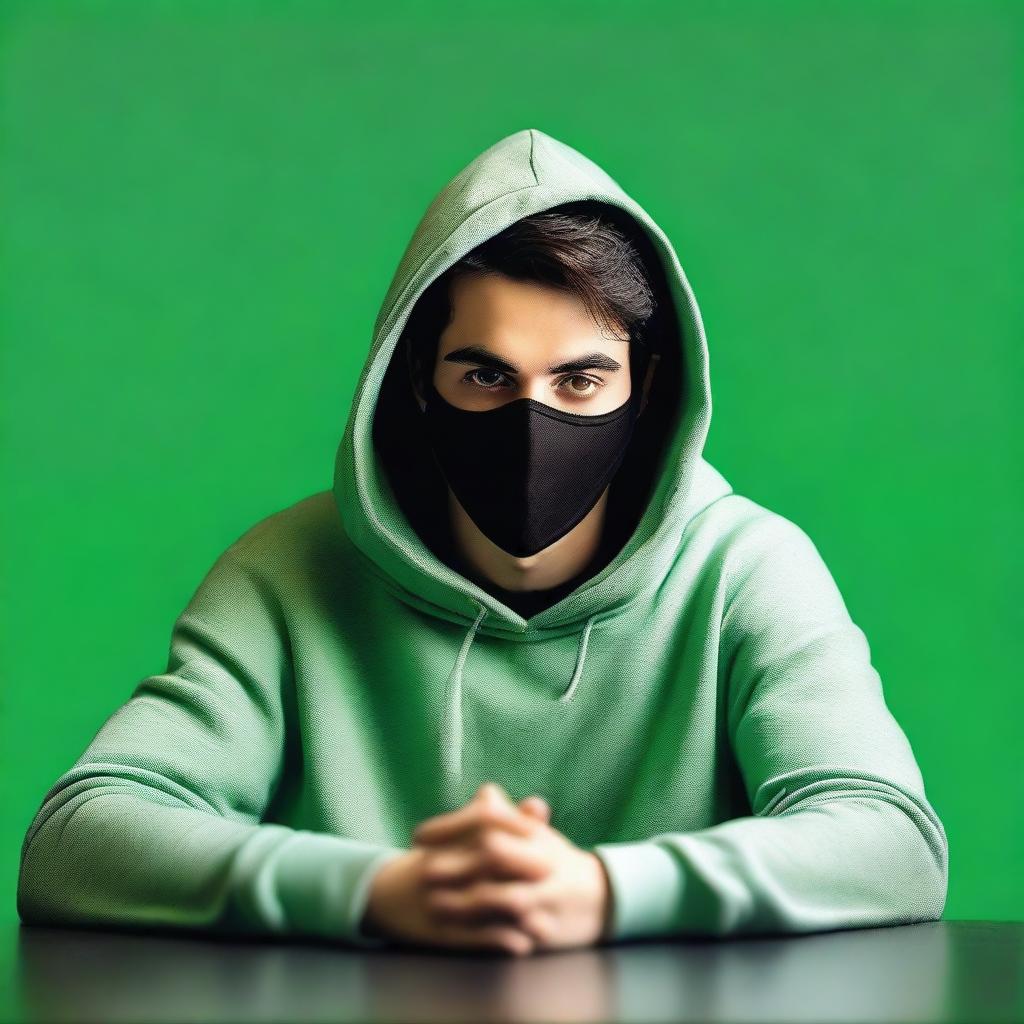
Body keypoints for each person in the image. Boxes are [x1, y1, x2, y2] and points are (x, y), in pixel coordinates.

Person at [17, 128, 948, 958]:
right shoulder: (290, 569)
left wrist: (600, 891)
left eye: (581, 381)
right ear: (417, 382)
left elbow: (890, 840)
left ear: (648, 385)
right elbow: (77, 840)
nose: (530, 420)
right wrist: (381, 893)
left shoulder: (746, 567)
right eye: (486, 376)